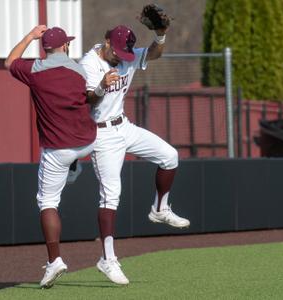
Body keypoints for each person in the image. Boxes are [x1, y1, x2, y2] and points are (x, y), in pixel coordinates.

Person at [78, 24, 190, 285]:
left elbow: (154, 53)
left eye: (124, 52)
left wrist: (160, 35)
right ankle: (107, 259)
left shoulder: (125, 54)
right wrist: (100, 88)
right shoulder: (90, 64)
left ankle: (160, 209)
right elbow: (87, 101)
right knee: (111, 195)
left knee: (170, 156)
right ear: (106, 42)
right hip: (102, 134)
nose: (121, 57)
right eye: (117, 51)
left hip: (123, 126)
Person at [4, 25, 97, 289]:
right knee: (73, 155)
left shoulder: (35, 70)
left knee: (47, 202)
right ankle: (74, 168)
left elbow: (9, 62)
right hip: (88, 142)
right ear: (65, 46)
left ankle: (55, 260)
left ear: (44, 48)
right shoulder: (79, 69)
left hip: (58, 149)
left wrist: (29, 36)